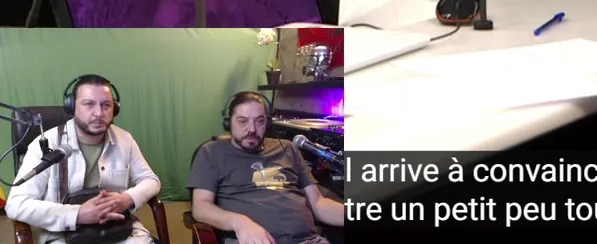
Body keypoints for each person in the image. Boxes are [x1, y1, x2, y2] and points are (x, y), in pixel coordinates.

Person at [4, 75, 162, 244]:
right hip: (63, 235)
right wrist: (78, 214)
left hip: (119, 231)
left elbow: (150, 180)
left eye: (106, 105)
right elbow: (16, 204)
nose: (99, 113)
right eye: (89, 104)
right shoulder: (47, 144)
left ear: (114, 109)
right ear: (72, 107)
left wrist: (127, 199)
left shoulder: (125, 139)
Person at [188, 91, 343, 244]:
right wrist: (239, 223)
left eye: (259, 121)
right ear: (229, 123)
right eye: (242, 121)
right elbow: (201, 207)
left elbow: (318, 203)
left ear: (268, 123)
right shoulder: (212, 152)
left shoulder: (287, 148)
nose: (252, 129)